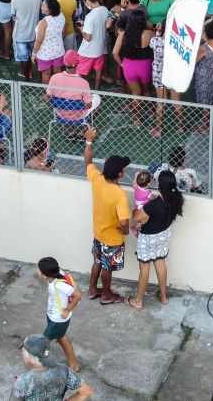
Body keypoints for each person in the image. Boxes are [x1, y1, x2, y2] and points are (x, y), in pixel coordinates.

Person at [82, 128, 130, 304]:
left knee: (97, 261)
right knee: (107, 267)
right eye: (123, 169)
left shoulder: (97, 179)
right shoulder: (119, 194)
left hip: (98, 233)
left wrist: (89, 140)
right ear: (119, 174)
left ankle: (92, 289)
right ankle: (107, 295)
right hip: (112, 238)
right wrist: (125, 230)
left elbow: (88, 161)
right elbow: (124, 221)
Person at [128, 169, 185, 310]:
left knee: (144, 267)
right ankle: (164, 296)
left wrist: (135, 211)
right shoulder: (176, 199)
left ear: (159, 185)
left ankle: (138, 301)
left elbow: (136, 218)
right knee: (160, 262)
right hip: (163, 236)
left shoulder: (153, 205)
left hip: (148, 238)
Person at [11, 334, 92, 401]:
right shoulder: (64, 371)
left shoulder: (22, 381)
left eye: (23, 350)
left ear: (30, 359)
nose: (22, 352)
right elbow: (86, 391)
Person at [36, 257, 82, 371]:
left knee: (42, 344)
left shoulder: (58, 285)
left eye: (39, 269)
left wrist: (68, 310)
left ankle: (40, 368)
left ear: (44, 275)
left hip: (58, 320)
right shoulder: (56, 273)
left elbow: (77, 295)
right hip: (53, 316)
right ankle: (74, 365)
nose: (37, 270)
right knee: (61, 337)